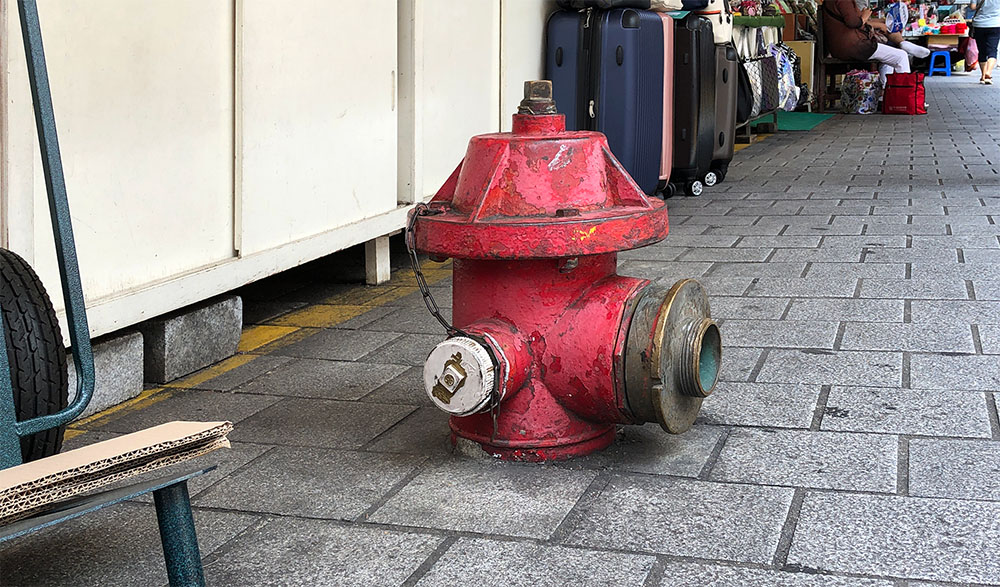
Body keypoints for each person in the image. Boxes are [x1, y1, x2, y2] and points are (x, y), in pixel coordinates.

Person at [823, 0, 911, 85]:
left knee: (890, 58)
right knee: (901, 56)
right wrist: (864, 17)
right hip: (854, 47)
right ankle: (904, 94)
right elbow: (853, 22)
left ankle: (886, 93)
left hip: (843, 46)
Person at [970, 0, 1000, 83]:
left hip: (979, 24)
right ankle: (988, 73)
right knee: (993, 50)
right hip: (995, 24)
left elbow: (972, 7)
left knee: (982, 50)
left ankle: (983, 76)